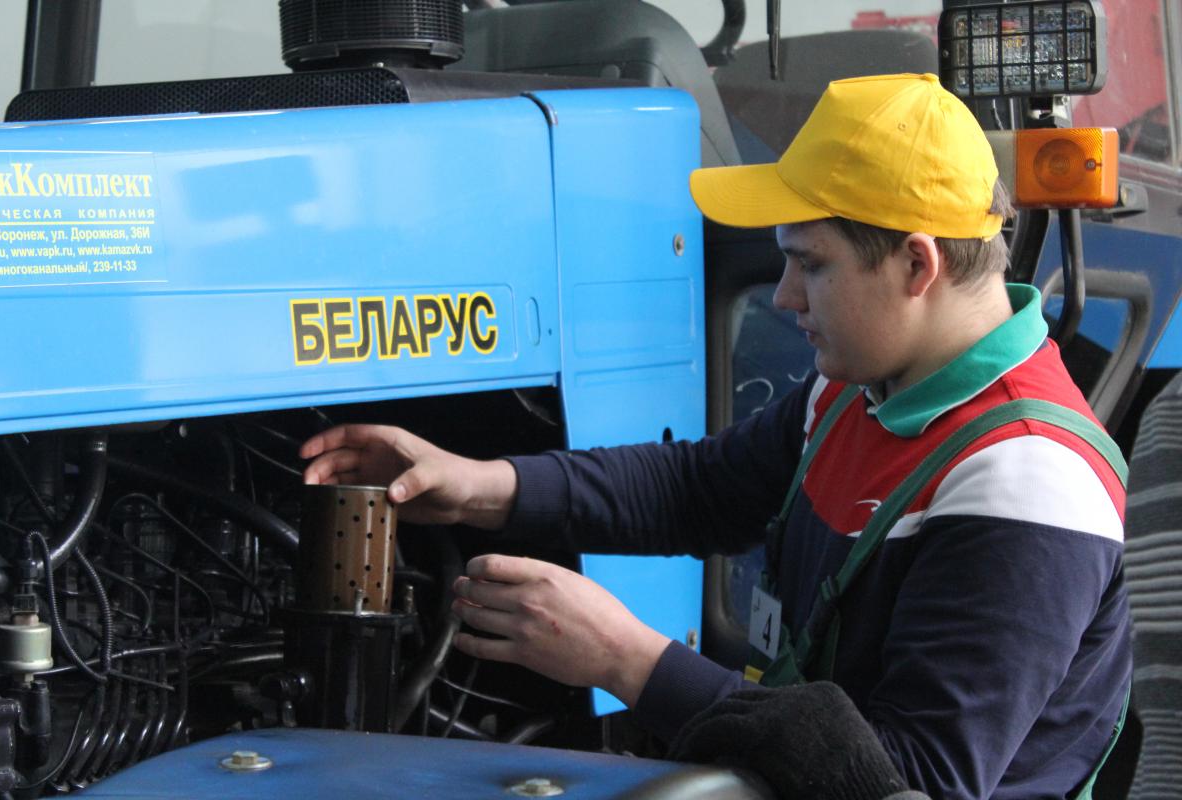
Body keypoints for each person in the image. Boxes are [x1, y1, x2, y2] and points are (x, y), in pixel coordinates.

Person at [300, 74, 1131, 800]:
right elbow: (699, 488)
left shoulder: (1025, 479)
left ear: (918, 266)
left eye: (811, 264)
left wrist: (627, 660)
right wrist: (484, 485)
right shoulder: (859, 393)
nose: (783, 298)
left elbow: (909, 784)